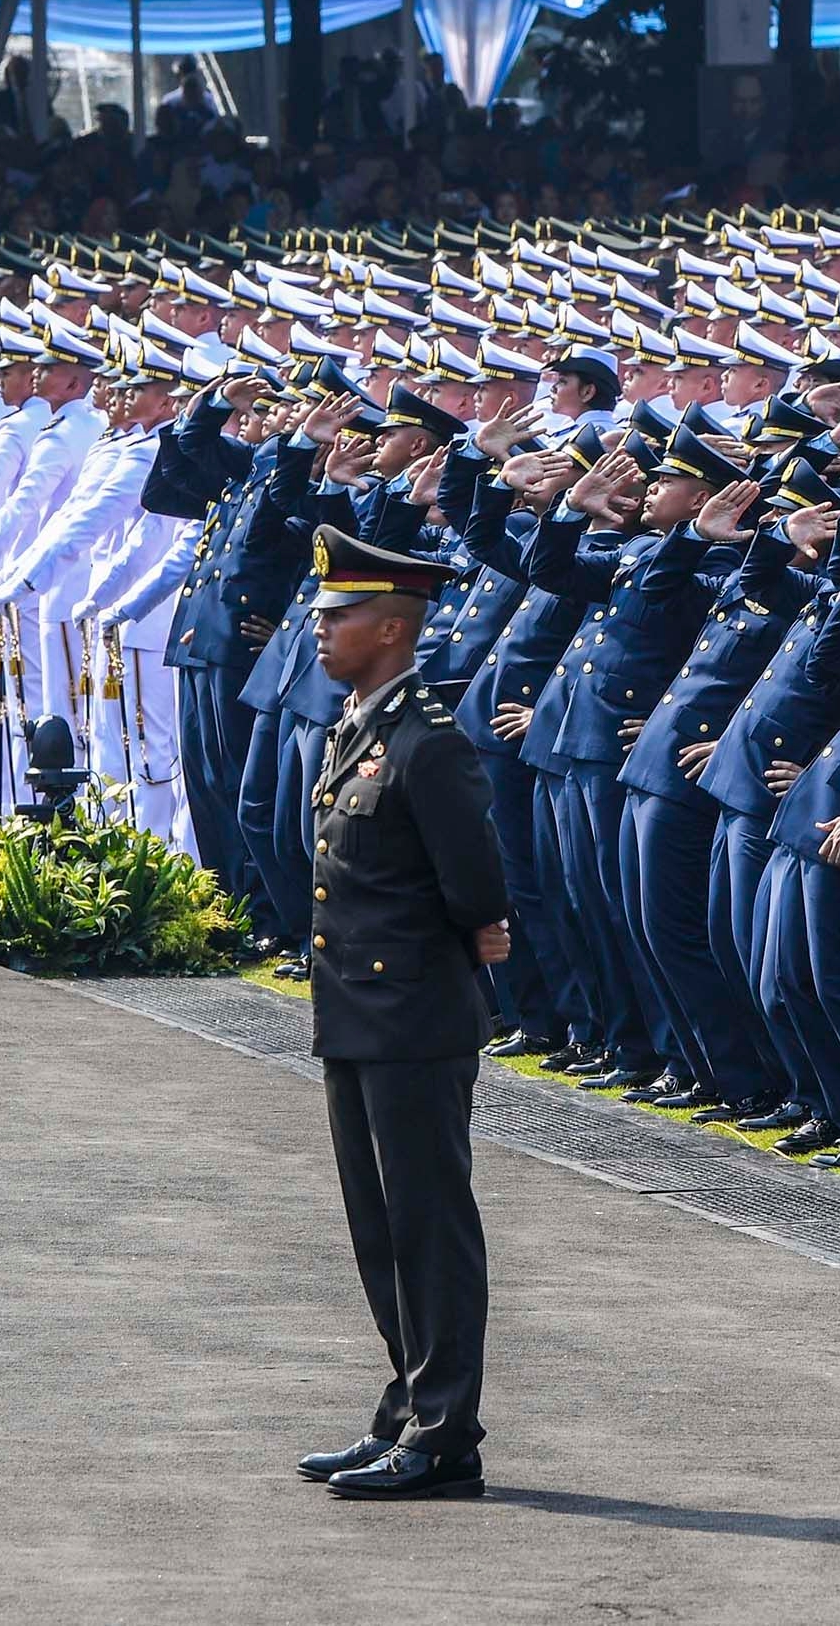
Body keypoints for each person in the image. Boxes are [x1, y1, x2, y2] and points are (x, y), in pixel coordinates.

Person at [291, 523, 512, 1501]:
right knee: (379, 1229)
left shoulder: (428, 742)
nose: (319, 628)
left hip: (415, 1018)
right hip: (356, 1013)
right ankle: (408, 1405)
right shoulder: (356, 727)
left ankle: (446, 1435)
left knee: (429, 1228)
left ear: (390, 627)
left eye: (337, 615)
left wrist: (481, 930)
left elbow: (476, 884)